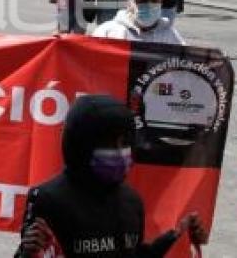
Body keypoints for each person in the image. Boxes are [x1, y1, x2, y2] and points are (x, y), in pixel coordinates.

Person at [16, 95, 208, 257]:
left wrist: (176, 238)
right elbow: (36, 251)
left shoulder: (131, 201)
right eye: (108, 144)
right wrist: (26, 252)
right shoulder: (49, 199)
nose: (119, 152)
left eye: (124, 142)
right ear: (81, 146)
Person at [92, 0, 184, 44]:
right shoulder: (108, 33)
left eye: (154, 0)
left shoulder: (169, 35)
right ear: (128, 2)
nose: (149, 4)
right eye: (142, 0)